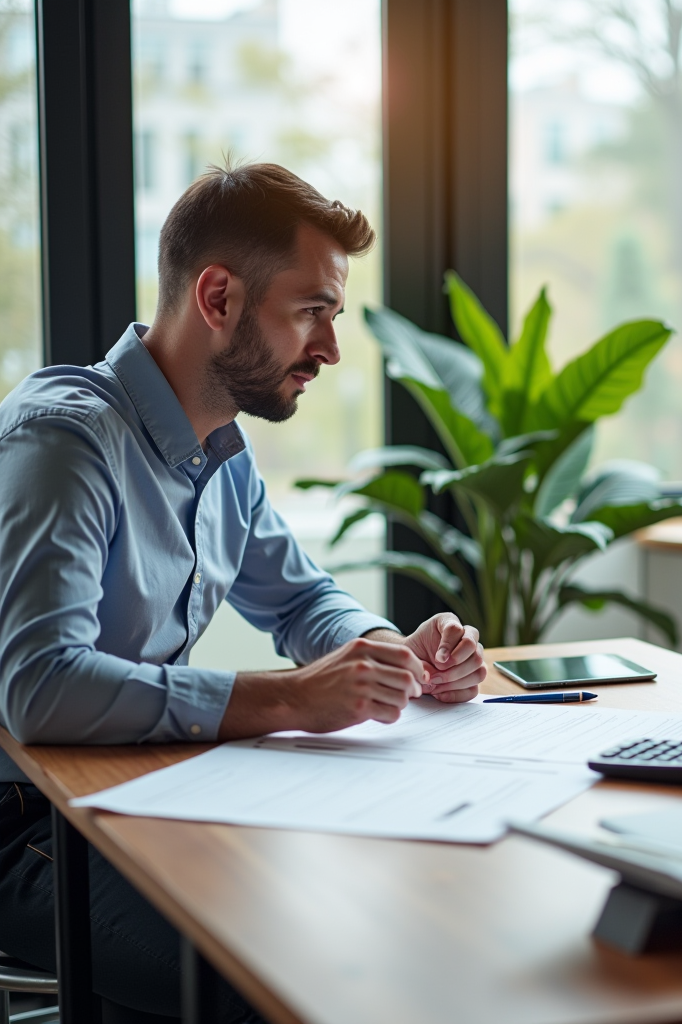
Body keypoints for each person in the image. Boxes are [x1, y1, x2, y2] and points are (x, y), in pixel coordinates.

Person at [0, 162, 487, 1023]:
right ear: (217, 297)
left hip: (147, 789)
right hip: (25, 824)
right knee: (275, 971)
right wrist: (291, 697)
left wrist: (391, 651)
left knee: (390, 911)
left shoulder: (221, 449)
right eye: (311, 313)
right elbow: (43, 691)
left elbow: (301, 603)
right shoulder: (65, 441)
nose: (332, 349)